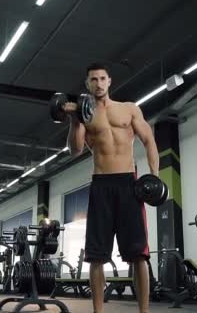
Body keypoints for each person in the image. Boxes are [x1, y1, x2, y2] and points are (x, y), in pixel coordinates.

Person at [64, 63, 159, 313]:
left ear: (109, 81)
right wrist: (74, 119)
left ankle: (144, 311)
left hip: (129, 184)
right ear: (87, 84)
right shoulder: (85, 114)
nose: (98, 83)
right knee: (96, 256)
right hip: (101, 185)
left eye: (102, 78)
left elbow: (149, 141)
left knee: (139, 254)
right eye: (92, 79)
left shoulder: (129, 109)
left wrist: (155, 176)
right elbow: (74, 151)